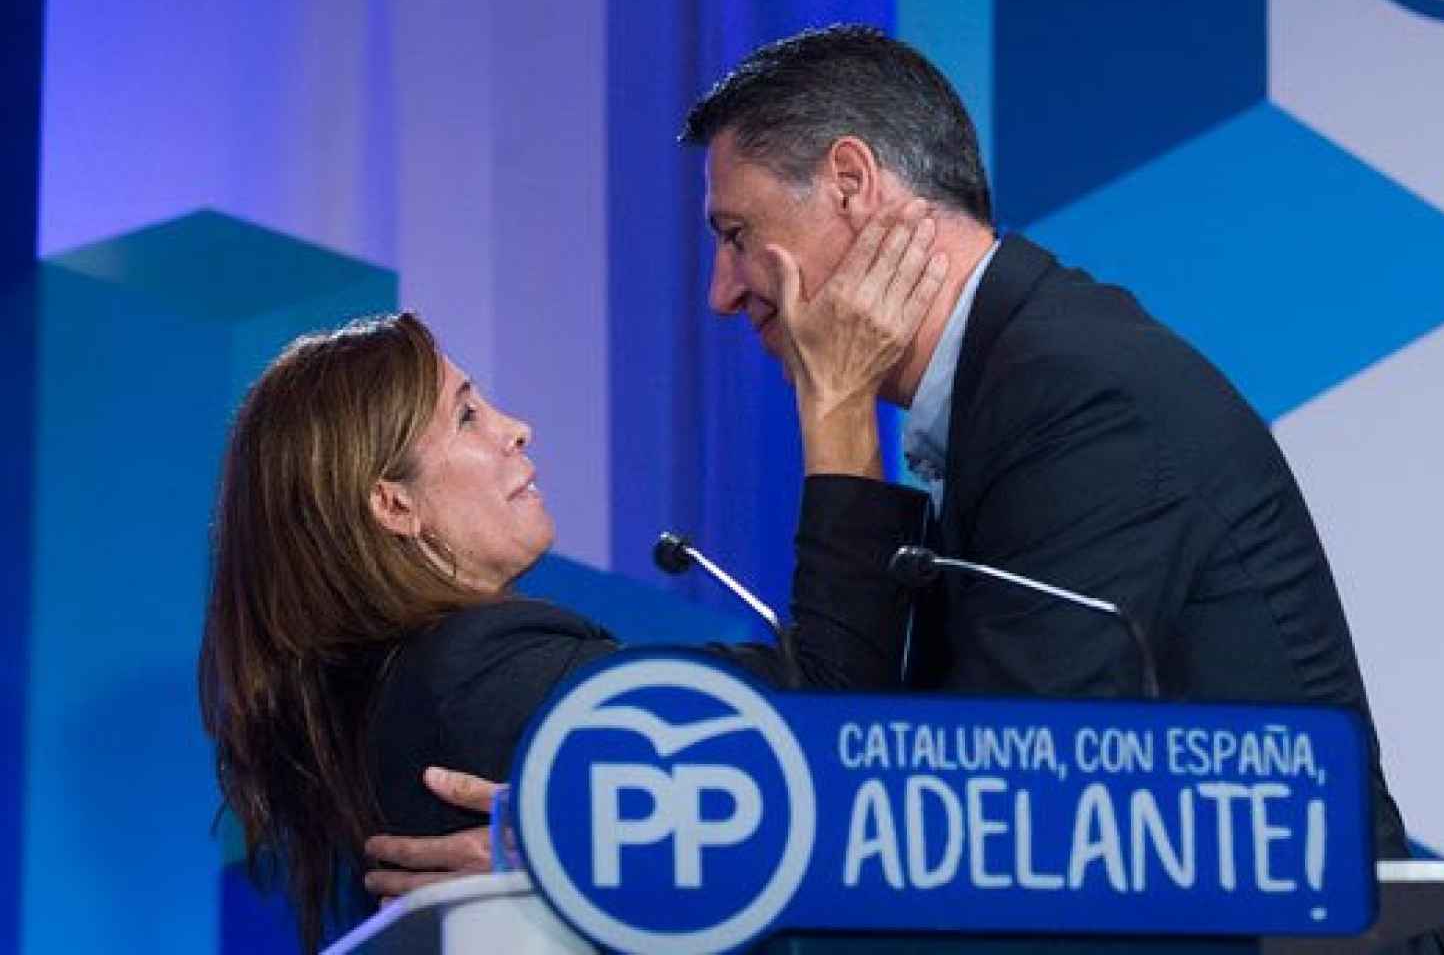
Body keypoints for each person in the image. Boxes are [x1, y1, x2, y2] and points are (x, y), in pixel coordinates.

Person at [371, 27, 1444, 950]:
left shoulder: (1075, 392)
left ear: (849, 182)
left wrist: (607, 841)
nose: (719, 292)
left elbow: (991, 805)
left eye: (735, 236)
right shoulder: (1005, 376)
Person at [199, 296, 936, 947]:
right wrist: (839, 403)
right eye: (465, 415)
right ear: (394, 505)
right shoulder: (482, 670)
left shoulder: (380, 694)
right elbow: (832, 715)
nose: (514, 429)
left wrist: (588, 854)